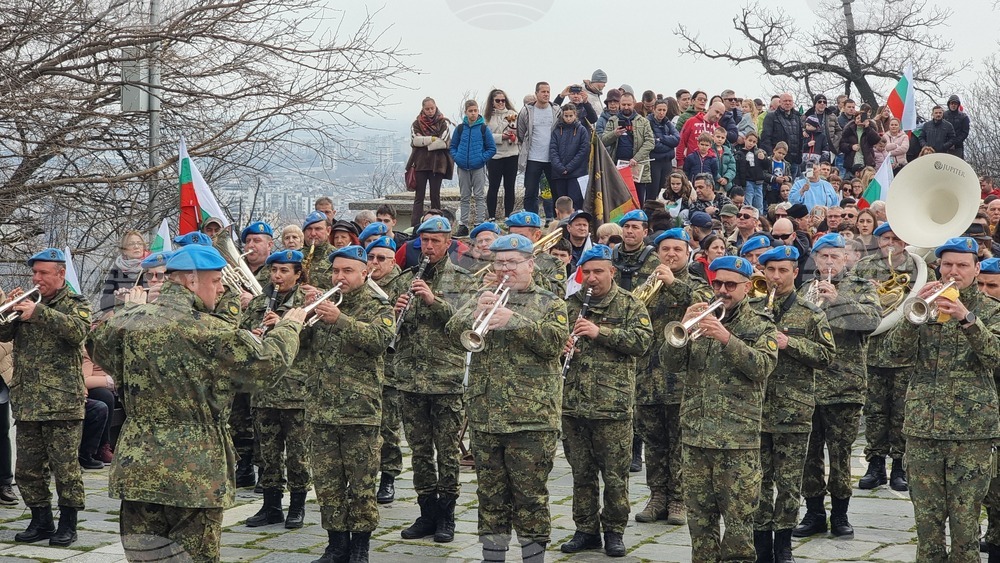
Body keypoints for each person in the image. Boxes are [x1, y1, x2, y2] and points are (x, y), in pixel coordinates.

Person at [87, 245, 305, 561]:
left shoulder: (125, 322)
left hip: (137, 466)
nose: (221, 287)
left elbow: (98, 348)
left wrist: (131, 311)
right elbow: (266, 368)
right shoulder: (212, 330)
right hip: (194, 472)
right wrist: (289, 328)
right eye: (216, 280)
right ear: (191, 280)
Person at [445, 234, 568, 563]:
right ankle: (493, 557)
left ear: (530, 264)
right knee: (490, 497)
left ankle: (533, 558)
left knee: (530, 498)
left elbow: (555, 342)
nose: (505, 269)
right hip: (486, 417)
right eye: (499, 263)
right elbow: (452, 331)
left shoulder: (549, 302)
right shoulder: (482, 295)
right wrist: (475, 309)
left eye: (512, 262)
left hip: (531, 419)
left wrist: (516, 321)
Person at [884, 238, 1000, 560]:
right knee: (928, 529)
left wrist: (967, 319)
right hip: (924, 431)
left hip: (972, 434)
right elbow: (893, 354)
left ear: (976, 269)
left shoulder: (991, 311)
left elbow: (997, 358)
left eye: (962, 265)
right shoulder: (925, 307)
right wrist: (910, 314)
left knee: (966, 531)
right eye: (947, 264)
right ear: (938, 267)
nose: (954, 271)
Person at [660, 255, 778, 562]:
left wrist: (727, 338)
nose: (722, 290)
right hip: (696, 437)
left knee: (739, 528)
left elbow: (762, 367)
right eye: (717, 283)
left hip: (736, 440)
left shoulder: (760, 325)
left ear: (747, 287)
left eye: (730, 284)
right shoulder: (699, 318)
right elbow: (670, 366)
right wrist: (684, 327)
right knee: (700, 526)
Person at [299, 245, 394, 563]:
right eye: (336, 271)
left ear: (365, 272)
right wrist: (301, 318)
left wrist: (340, 320)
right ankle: (336, 544)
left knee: (362, 484)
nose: (340, 277)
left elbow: (380, 341)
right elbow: (300, 351)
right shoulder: (324, 302)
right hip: (321, 410)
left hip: (359, 412)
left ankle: (360, 547)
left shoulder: (379, 304)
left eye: (347, 271)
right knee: (327, 484)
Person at [558, 245, 652, 558]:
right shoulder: (571, 304)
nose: (593, 278)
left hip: (613, 407)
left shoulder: (629, 303)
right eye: (588, 272)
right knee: (581, 474)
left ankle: (614, 531)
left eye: (599, 271)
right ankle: (585, 530)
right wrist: (561, 346)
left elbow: (642, 342)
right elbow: (552, 342)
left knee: (615, 477)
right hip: (574, 405)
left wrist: (601, 332)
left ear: (612, 272)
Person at [793, 234, 881, 540]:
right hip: (808, 386)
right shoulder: (805, 288)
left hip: (845, 386)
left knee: (841, 455)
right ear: (815, 259)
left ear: (846, 258)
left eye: (834, 256)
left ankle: (840, 515)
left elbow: (871, 322)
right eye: (823, 257)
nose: (828, 262)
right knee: (809, 455)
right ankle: (814, 512)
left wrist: (837, 300)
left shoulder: (862, 287)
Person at [0, 249, 90, 547]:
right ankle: (41, 520)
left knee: (66, 469)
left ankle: (68, 524)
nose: (36, 279)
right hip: (28, 400)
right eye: (34, 273)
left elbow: (78, 331)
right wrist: (7, 309)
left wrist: (37, 312)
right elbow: (3, 335)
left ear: (60, 274)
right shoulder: (26, 302)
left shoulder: (76, 303)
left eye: (43, 274)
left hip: (62, 402)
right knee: (26, 469)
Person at [394, 217, 475, 544]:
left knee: (447, 450)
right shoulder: (406, 279)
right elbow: (393, 328)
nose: (427, 247)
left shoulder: (462, 279)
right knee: (420, 451)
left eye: (435, 241)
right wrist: (395, 309)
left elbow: (466, 321)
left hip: (445, 379)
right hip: (410, 378)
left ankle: (447, 516)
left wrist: (433, 300)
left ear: (448, 242)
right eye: (423, 241)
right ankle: (427, 512)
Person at [754, 246, 835, 563]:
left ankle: (784, 544)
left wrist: (791, 343)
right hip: (756, 410)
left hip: (794, 411)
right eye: (770, 270)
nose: (776, 277)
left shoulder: (811, 313)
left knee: (788, 485)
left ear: (794, 272)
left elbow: (826, 357)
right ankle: (761, 545)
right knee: (757, 482)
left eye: (783, 270)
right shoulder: (752, 309)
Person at [635, 229, 711, 526]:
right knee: (654, 443)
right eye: (665, 250)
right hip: (648, 376)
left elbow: (705, 307)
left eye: (677, 250)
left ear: (687, 253)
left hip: (681, 378)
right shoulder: (647, 285)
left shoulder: (695, 284)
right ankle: (657, 496)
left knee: (680, 442)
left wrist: (674, 284)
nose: (670, 254)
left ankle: (679, 499)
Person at [852, 223, 933, 493]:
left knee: (902, 411)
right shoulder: (863, 267)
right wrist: (869, 295)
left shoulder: (921, 269)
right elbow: (848, 304)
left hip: (907, 354)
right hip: (872, 350)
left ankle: (900, 465)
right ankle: (875, 464)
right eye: (885, 238)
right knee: (874, 411)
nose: (890, 243)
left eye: (896, 238)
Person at [239, 250, 312, 530]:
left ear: (297, 274)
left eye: (284, 271)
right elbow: (242, 332)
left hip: (296, 389)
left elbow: (312, 340)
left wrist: (282, 326)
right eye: (274, 271)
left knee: (297, 454)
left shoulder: (308, 302)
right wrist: (254, 335)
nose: (277, 276)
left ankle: (297, 506)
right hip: (265, 389)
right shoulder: (260, 301)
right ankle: (270, 507)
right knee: (267, 453)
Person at [450, 100, 497, 236]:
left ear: (478, 111)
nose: (473, 113)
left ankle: (479, 224)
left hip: (478, 167)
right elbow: (453, 146)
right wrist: (457, 157)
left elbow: (491, 148)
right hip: (463, 167)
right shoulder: (460, 129)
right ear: (466, 112)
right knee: (464, 196)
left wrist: (481, 159)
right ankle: (463, 225)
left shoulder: (483, 128)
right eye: (470, 111)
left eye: (475, 110)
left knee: (479, 196)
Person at [408, 97, 454, 228]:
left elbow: (444, 141)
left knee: (435, 195)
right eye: (427, 109)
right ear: (423, 109)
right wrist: (433, 139)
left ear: (436, 107)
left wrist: (424, 141)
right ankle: (415, 225)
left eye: (432, 108)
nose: (430, 111)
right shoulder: (416, 123)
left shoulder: (443, 122)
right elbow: (414, 140)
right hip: (421, 164)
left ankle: (437, 223)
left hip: (437, 164)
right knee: (419, 196)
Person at [517, 82, 562, 220]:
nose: (546, 94)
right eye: (543, 92)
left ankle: (557, 220)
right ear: (536, 93)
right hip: (533, 157)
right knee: (531, 192)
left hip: (552, 158)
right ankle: (531, 220)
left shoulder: (556, 110)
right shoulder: (527, 111)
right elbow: (521, 133)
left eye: (548, 92)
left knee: (556, 190)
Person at [602, 92, 655, 203]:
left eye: (629, 104)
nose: (626, 107)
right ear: (620, 104)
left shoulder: (644, 121)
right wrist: (614, 134)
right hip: (618, 166)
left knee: (638, 200)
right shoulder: (612, 121)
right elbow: (603, 141)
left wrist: (636, 158)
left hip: (637, 166)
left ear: (634, 103)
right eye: (624, 104)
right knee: (619, 201)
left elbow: (650, 142)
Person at [484, 89, 520, 220]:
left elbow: (521, 133)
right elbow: (485, 136)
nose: (501, 103)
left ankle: (508, 216)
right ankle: (491, 216)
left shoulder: (514, 114)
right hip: (495, 156)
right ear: (492, 102)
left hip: (511, 154)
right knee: (493, 186)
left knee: (509, 186)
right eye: (498, 100)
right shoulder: (487, 117)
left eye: (503, 100)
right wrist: (501, 137)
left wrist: (513, 137)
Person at [549, 104, 591, 211]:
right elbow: (553, 151)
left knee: (575, 201)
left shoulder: (582, 130)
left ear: (575, 115)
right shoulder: (556, 131)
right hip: (559, 173)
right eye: (566, 116)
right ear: (562, 116)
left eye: (570, 116)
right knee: (561, 202)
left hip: (576, 173)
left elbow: (583, 150)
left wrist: (569, 167)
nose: (568, 118)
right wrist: (560, 168)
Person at [98, 230, 148, 314]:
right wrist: (118, 298)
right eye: (131, 244)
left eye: (139, 243)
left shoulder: (152, 267)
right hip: (122, 319)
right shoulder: (116, 271)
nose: (136, 246)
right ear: (124, 250)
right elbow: (104, 305)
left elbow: (159, 297)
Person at [760, 93, 804, 177]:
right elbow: (765, 138)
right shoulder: (771, 116)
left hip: (794, 160)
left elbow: (800, 138)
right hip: (777, 160)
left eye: (790, 101)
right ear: (780, 102)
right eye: (785, 101)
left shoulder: (798, 117)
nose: (788, 103)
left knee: (791, 187)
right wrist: (770, 156)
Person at [648, 99, 681, 198]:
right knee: (653, 192)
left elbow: (677, 139)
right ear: (654, 109)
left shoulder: (667, 123)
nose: (662, 113)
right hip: (654, 161)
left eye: (664, 110)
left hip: (667, 161)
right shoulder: (648, 122)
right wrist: (669, 145)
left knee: (665, 192)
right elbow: (653, 144)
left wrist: (661, 139)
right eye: (659, 110)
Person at [840, 110, 883, 175]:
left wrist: (867, 127)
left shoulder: (870, 129)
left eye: (862, 118)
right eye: (858, 118)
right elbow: (841, 145)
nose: (860, 120)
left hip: (866, 162)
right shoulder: (849, 130)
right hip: (852, 162)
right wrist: (851, 146)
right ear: (854, 120)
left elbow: (875, 140)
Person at [301, 211, 335, 290]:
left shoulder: (337, 257)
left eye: (318, 229)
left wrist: (317, 293)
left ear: (328, 231)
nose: (313, 233)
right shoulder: (296, 256)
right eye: (309, 229)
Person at [943, 94, 970, 159]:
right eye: (952, 103)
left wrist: (954, 142)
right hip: (944, 145)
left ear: (958, 105)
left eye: (955, 104)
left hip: (957, 146)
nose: (953, 105)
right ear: (949, 104)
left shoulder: (964, 117)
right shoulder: (943, 115)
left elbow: (965, 133)